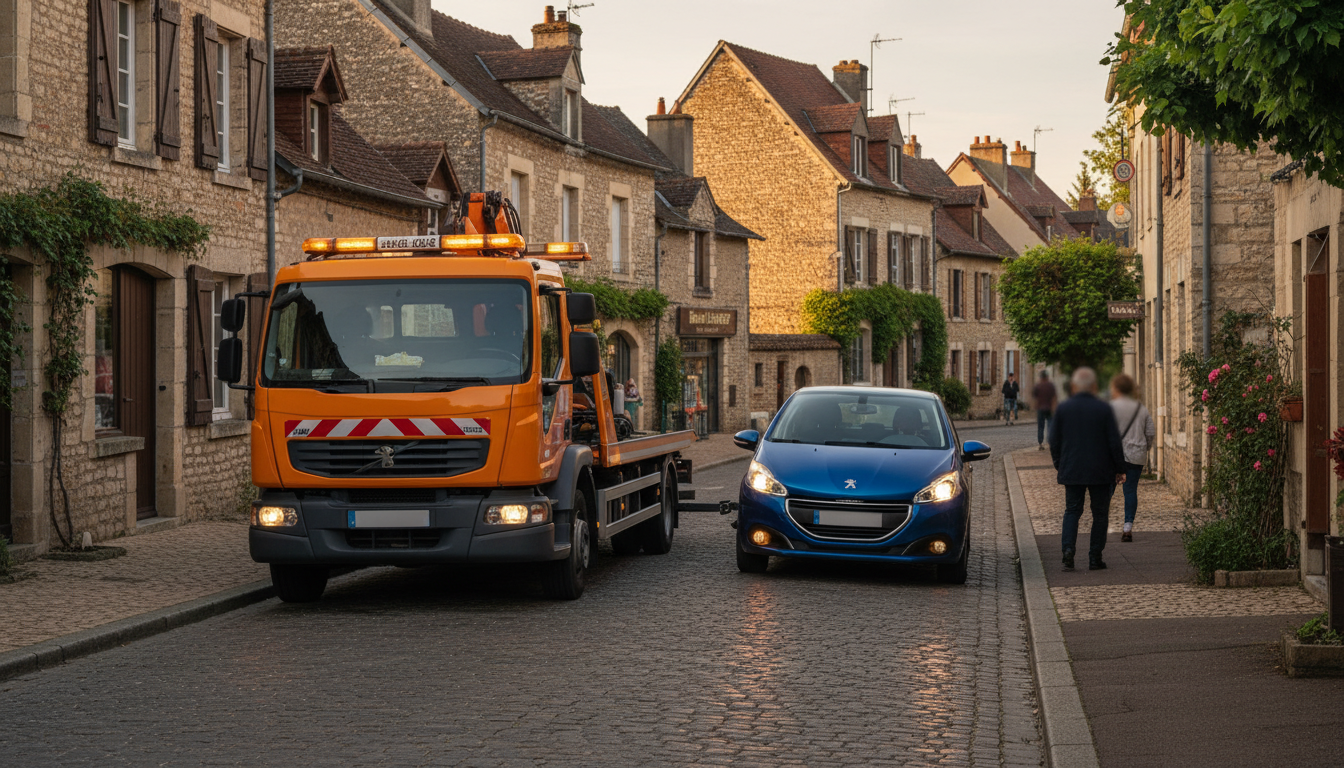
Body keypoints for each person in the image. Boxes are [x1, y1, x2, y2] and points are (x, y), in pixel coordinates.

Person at [1049, 367, 1126, 571]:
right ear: (1093, 387)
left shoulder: (1063, 409)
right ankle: (1094, 557)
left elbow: (1054, 441)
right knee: (1100, 514)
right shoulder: (1103, 409)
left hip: (1072, 468)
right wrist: (1119, 468)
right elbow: (1114, 442)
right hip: (1100, 471)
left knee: (1072, 511)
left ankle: (1068, 551)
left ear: (1074, 387)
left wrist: (1060, 463)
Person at [1109, 373, 1156, 542]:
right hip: (1136, 455)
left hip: (1114, 456)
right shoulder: (1140, 408)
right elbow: (1150, 432)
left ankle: (1101, 523)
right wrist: (1145, 447)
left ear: (1115, 389)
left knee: (1108, 491)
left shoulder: (1111, 408)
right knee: (1130, 491)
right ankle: (1127, 527)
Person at [1033, 371, 1057, 451]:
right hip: (1049, 408)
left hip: (1040, 408)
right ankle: (1049, 441)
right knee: (1050, 425)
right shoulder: (1051, 386)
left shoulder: (1038, 386)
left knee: (1040, 426)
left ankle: (1040, 443)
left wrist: (1035, 406)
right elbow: (1054, 397)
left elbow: (1034, 397)